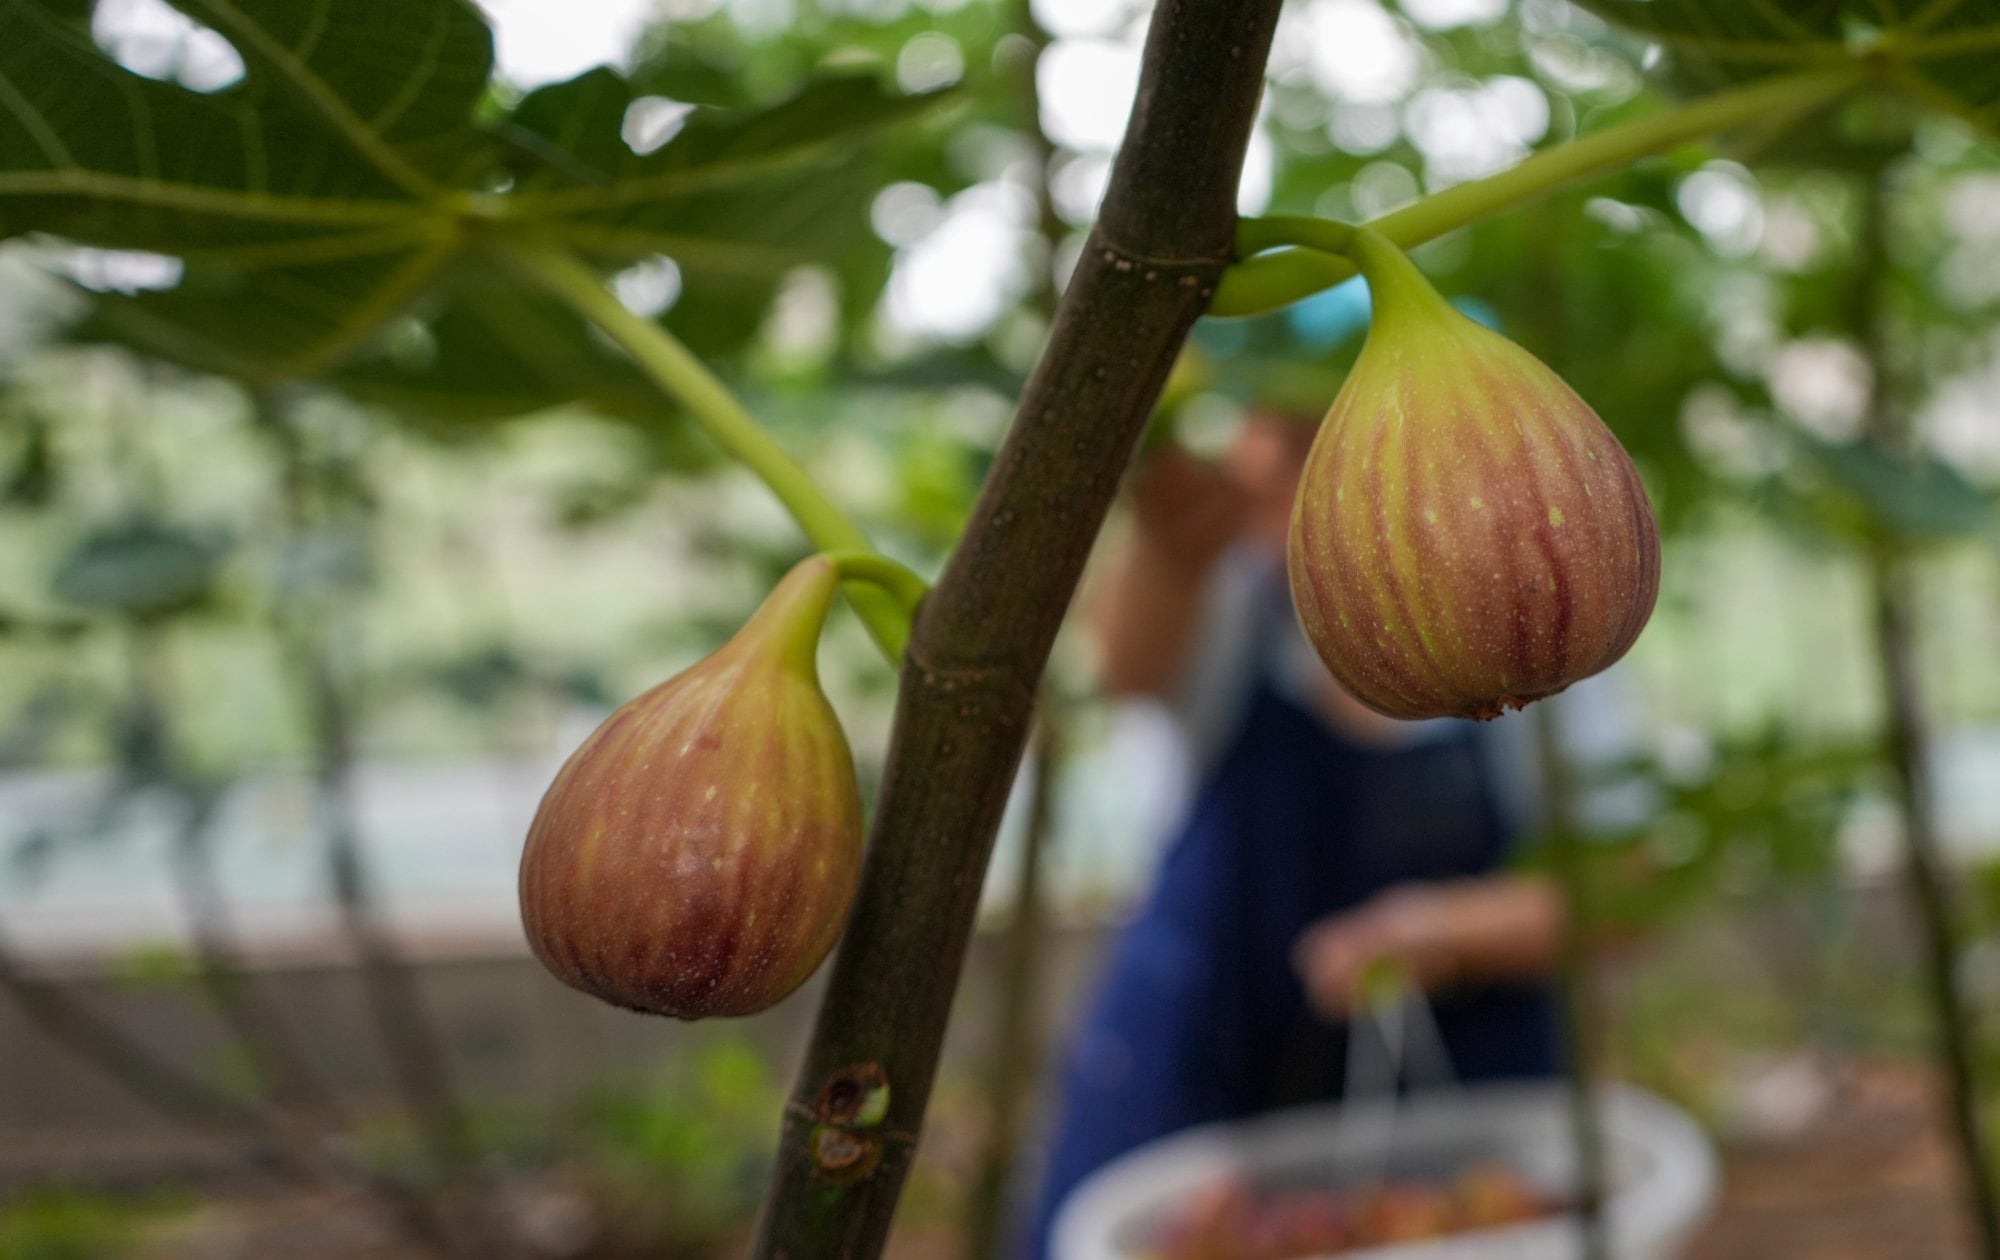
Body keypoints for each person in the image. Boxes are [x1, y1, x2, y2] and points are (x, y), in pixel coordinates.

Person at [1026, 410, 1592, 1260]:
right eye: (1269, 437)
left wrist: (1445, 929)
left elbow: (1622, 893)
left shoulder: (1540, 632)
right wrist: (1171, 545)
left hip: (1464, 1088)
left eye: (1309, 437)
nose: (1267, 461)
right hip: (1202, 1076)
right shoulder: (1231, 608)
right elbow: (1125, 666)